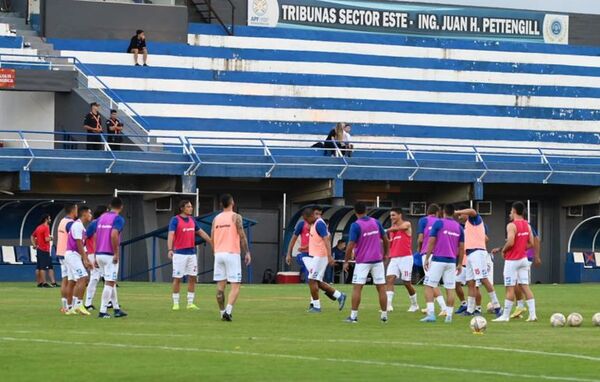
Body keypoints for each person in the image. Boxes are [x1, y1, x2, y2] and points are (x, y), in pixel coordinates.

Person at [492, 201, 539, 322]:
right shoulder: (527, 225)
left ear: (513, 211)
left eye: (510, 212)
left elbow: (511, 241)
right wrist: (521, 248)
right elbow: (531, 243)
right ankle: (533, 315)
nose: (509, 214)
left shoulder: (511, 225)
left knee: (510, 288)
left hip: (512, 261)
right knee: (525, 287)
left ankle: (505, 316)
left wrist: (503, 250)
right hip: (523, 259)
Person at [344, 202, 389, 323]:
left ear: (355, 211)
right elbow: (386, 239)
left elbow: (350, 245)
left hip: (363, 261)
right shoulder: (376, 222)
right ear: (366, 210)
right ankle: (384, 316)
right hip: (377, 260)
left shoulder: (355, 225)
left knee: (357, 288)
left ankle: (353, 316)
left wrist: (346, 261)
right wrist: (386, 254)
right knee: (381, 288)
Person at [455, 207, 502, 317]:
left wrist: (457, 211)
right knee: (471, 282)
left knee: (483, 279)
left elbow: (473, 211)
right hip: (470, 254)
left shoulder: (474, 220)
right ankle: (470, 310)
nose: (459, 217)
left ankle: (497, 306)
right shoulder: (467, 225)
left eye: (461, 214)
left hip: (477, 252)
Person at [421, 204, 464, 323]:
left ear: (444, 212)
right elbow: (461, 248)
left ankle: (431, 314)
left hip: (438, 259)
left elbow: (431, 241)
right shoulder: (458, 227)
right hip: (451, 262)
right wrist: (459, 264)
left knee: (429, 285)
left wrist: (427, 257)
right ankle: (449, 316)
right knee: (450, 288)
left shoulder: (438, 223)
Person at [211, 194, 251, 321]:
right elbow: (242, 235)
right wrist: (247, 252)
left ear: (221, 204)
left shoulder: (216, 218)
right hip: (232, 253)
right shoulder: (236, 216)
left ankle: (221, 312)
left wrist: (215, 252)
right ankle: (228, 311)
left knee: (220, 287)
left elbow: (212, 238)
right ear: (232, 202)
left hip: (218, 254)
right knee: (235, 285)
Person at [168, 200, 212, 311]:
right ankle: (176, 303)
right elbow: (171, 234)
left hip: (192, 254)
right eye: (188, 206)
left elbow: (201, 232)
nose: (191, 208)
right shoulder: (175, 220)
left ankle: (190, 303)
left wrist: (211, 241)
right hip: (179, 254)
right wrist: (170, 249)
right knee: (177, 278)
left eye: (191, 206)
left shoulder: (192, 220)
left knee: (192, 278)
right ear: (182, 208)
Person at [303, 206, 346, 313]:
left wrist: (329, 256)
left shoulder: (319, 223)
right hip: (317, 256)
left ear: (311, 216)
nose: (305, 221)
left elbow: (326, 239)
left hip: (321, 256)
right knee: (317, 281)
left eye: (306, 219)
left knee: (312, 280)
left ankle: (316, 307)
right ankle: (339, 295)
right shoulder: (314, 224)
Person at [95, 197, 127, 318]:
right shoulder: (118, 219)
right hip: (109, 254)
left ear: (110, 206)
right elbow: (114, 235)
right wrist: (116, 253)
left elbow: (96, 235)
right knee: (109, 282)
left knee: (111, 282)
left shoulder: (101, 218)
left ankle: (116, 309)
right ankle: (102, 311)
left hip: (99, 253)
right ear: (121, 207)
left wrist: (95, 254)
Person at [385, 208, 419, 313]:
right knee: (389, 279)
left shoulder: (406, 224)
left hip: (405, 258)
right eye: (391, 215)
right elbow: (391, 244)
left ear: (400, 215)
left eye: (393, 215)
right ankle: (388, 305)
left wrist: (386, 230)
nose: (392, 217)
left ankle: (415, 304)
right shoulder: (392, 230)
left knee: (406, 282)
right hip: (394, 258)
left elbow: (402, 227)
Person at [416, 203, 448, 316]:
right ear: (437, 212)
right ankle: (430, 306)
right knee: (432, 281)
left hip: (428, 254)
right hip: (440, 254)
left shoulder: (423, 220)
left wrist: (419, 250)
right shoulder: (441, 222)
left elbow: (420, 239)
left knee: (431, 282)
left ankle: (444, 308)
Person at [64, 206, 93, 316]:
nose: (90, 215)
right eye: (89, 213)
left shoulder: (81, 226)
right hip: (72, 255)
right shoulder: (77, 225)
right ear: (84, 213)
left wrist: (86, 258)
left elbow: (82, 246)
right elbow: (78, 243)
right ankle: (79, 305)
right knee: (83, 277)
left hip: (73, 255)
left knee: (72, 281)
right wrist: (85, 259)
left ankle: (70, 307)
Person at [511, 226, 541, 319]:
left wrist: (536, 256)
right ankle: (520, 307)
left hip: (524, 257)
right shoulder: (519, 225)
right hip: (521, 256)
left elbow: (536, 239)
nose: (510, 214)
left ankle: (521, 307)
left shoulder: (524, 226)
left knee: (520, 284)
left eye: (511, 211)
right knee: (519, 284)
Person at [84, 205, 108, 310]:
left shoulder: (103, 223)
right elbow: (85, 238)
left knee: (106, 277)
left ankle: (109, 301)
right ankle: (88, 303)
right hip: (94, 253)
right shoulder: (94, 224)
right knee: (95, 277)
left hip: (101, 253)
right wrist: (86, 254)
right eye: (106, 212)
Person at [57, 204, 77, 313]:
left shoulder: (61, 221)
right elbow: (75, 238)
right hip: (68, 254)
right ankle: (71, 306)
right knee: (72, 280)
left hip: (60, 253)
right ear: (73, 210)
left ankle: (64, 306)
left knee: (65, 279)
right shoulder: (70, 223)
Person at [285, 208, 313, 282]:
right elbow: (293, 239)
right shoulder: (301, 224)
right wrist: (288, 254)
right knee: (308, 271)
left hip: (316, 253)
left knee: (314, 274)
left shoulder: (318, 224)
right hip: (305, 253)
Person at [31, 214, 56, 288]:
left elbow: (32, 236)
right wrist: (51, 238)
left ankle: (39, 283)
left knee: (38, 267)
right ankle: (44, 283)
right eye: (49, 218)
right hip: (44, 249)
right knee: (43, 267)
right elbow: (46, 239)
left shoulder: (38, 227)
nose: (50, 220)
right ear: (46, 219)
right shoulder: (46, 227)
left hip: (39, 249)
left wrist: (34, 245)